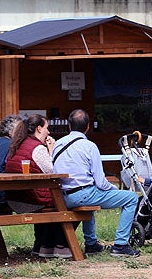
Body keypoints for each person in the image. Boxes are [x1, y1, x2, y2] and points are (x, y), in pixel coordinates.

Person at [52, 109, 141, 257]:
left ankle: (91, 243)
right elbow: (100, 182)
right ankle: (120, 244)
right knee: (131, 198)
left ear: (69, 126)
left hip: (63, 196)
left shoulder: (58, 144)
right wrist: (112, 188)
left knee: (91, 194)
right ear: (88, 127)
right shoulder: (90, 146)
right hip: (83, 193)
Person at [5, 115, 67, 258]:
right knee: (69, 201)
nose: (48, 132)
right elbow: (53, 172)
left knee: (50, 198)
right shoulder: (38, 148)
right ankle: (56, 245)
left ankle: (41, 244)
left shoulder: (17, 144)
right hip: (32, 200)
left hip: (17, 197)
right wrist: (51, 149)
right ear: (39, 129)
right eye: (46, 128)